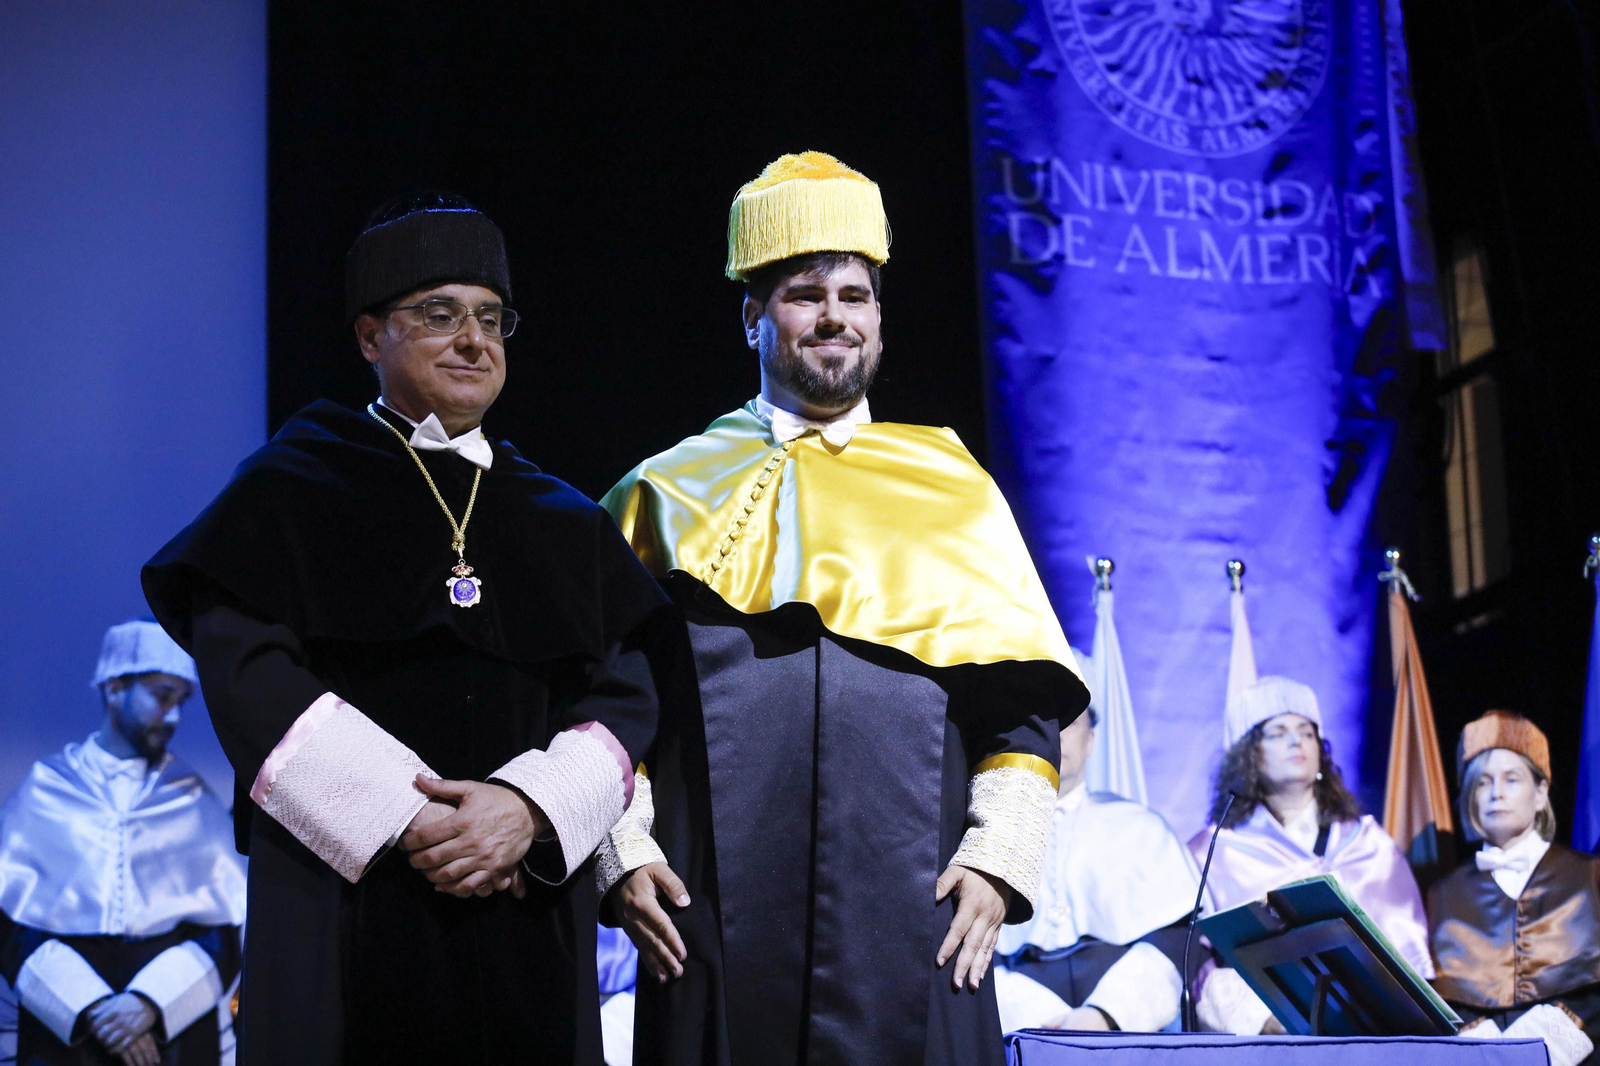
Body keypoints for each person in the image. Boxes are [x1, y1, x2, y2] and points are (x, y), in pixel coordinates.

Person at [141, 192, 670, 1065]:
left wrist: (526, 808)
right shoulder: (289, 489)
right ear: (368, 337)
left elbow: (625, 688)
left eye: (492, 319)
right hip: (344, 900)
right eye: (440, 315)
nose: (475, 341)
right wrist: (410, 817)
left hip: (526, 904)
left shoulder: (563, 519)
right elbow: (249, 675)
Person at [595, 151, 1089, 1066]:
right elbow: (607, 706)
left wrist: (998, 860)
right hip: (710, 917)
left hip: (922, 921)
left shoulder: (954, 489)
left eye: (855, 295)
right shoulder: (662, 495)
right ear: (752, 315)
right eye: (804, 293)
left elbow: (1019, 712)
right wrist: (620, 853)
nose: (834, 317)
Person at [0, 620, 245, 1066]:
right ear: (115, 688)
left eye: (180, 701)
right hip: (64, 1036)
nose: (173, 716)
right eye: (161, 696)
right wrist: (89, 1006)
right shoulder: (45, 789)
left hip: (174, 1035)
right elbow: (12, 924)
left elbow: (224, 928)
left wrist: (150, 1003)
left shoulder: (191, 799)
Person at [1191, 675, 1432, 1034]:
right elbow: (1203, 969)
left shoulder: (1367, 843)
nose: (1296, 741)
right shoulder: (1214, 851)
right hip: (1265, 1037)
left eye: (1306, 732)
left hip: (1371, 1031)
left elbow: (1410, 962)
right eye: (1278, 732)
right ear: (1249, 755)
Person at [993, 705, 1200, 1033]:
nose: (1054, 735)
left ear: (1090, 741)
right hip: (1019, 1023)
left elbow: (1175, 940)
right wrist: (1029, 1018)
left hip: (1122, 1027)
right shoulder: (986, 836)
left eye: (1068, 723)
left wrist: (1106, 1014)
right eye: (1042, 725)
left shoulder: (1139, 827)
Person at [1428, 710, 1599, 1066]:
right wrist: (1479, 1042)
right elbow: (1440, 997)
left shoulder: (1589, 878)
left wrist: (1554, 1036)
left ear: (1540, 794)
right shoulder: (1443, 893)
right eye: (1483, 782)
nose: (1496, 794)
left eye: (1511, 779)